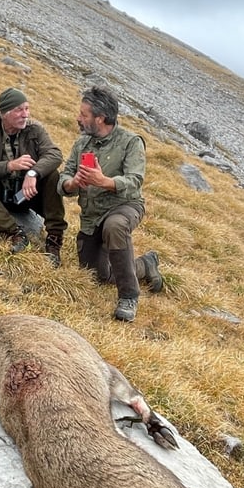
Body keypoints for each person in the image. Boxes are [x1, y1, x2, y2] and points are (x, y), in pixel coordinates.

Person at [58, 85, 163, 322]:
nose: (79, 118)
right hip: (91, 215)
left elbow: (135, 181)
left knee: (114, 226)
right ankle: (145, 265)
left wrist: (105, 181)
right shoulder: (81, 144)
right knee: (97, 275)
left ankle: (128, 296)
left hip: (124, 206)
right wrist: (72, 183)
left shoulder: (131, 142)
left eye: (84, 115)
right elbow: (64, 176)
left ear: (100, 118)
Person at [0, 88, 68, 265]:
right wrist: (10, 166)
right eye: (19, 110)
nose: (25, 115)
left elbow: (55, 155)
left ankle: (54, 239)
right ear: (5, 113)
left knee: (53, 175)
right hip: (1, 195)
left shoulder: (35, 130)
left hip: (29, 193)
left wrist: (33, 173)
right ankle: (15, 233)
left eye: (27, 109)